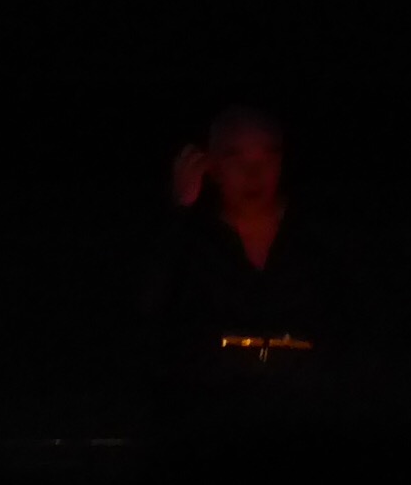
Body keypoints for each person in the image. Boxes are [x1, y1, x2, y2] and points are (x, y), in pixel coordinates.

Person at [141, 109, 351, 431]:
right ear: (211, 166)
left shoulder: (316, 237)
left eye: (267, 158)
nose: (254, 174)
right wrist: (179, 213)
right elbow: (150, 310)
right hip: (210, 420)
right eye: (236, 159)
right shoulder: (191, 239)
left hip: (307, 417)